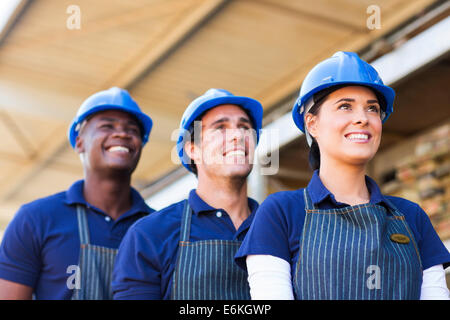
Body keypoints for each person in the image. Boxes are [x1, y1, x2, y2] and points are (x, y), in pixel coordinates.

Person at [235, 52, 450, 300]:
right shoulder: (281, 213)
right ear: (312, 124)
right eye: (345, 106)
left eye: (372, 109)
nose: (362, 118)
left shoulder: (412, 217)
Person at [0, 87, 155, 300]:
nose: (122, 133)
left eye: (133, 130)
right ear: (79, 142)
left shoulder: (157, 228)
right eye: (107, 126)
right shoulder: (36, 219)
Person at [112, 88, 263, 299]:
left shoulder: (279, 227)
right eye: (220, 128)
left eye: (245, 127)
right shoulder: (150, 235)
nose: (238, 135)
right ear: (192, 149)